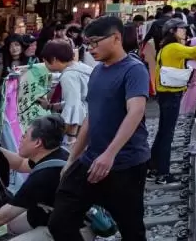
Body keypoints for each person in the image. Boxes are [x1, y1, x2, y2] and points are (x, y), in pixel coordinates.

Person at [48, 15, 149, 241]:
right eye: (87, 43)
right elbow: (91, 118)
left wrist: (110, 154)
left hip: (125, 163)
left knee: (131, 229)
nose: (91, 48)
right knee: (60, 221)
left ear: (116, 38)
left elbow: (136, 112)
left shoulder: (134, 69)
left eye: (95, 42)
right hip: (91, 159)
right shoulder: (97, 71)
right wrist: (72, 158)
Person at [0, 115, 95, 240]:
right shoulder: (57, 154)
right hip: (53, 215)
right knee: (13, 225)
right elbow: (21, 163)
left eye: (25, 135)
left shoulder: (43, 177)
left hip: (74, 230)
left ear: (38, 143)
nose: (21, 138)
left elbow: (1, 217)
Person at [151, 19, 196, 184]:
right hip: (171, 94)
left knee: (163, 132)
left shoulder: (165, 46)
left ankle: (153, 168)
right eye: (181, 29)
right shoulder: (174, 47)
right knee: (167, 134)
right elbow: (194, 53)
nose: (185, 31)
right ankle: (163, 174)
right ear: (172, 31)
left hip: (166, 94)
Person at [41, 40, 93, 145]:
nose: (45, 65)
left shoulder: (68, 76)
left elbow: (74, 107)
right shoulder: (79, 67)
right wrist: (50, 106)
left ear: (54, 59)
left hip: (87, 126)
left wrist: (70, 139)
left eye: (45, 61)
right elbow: (77, 100)